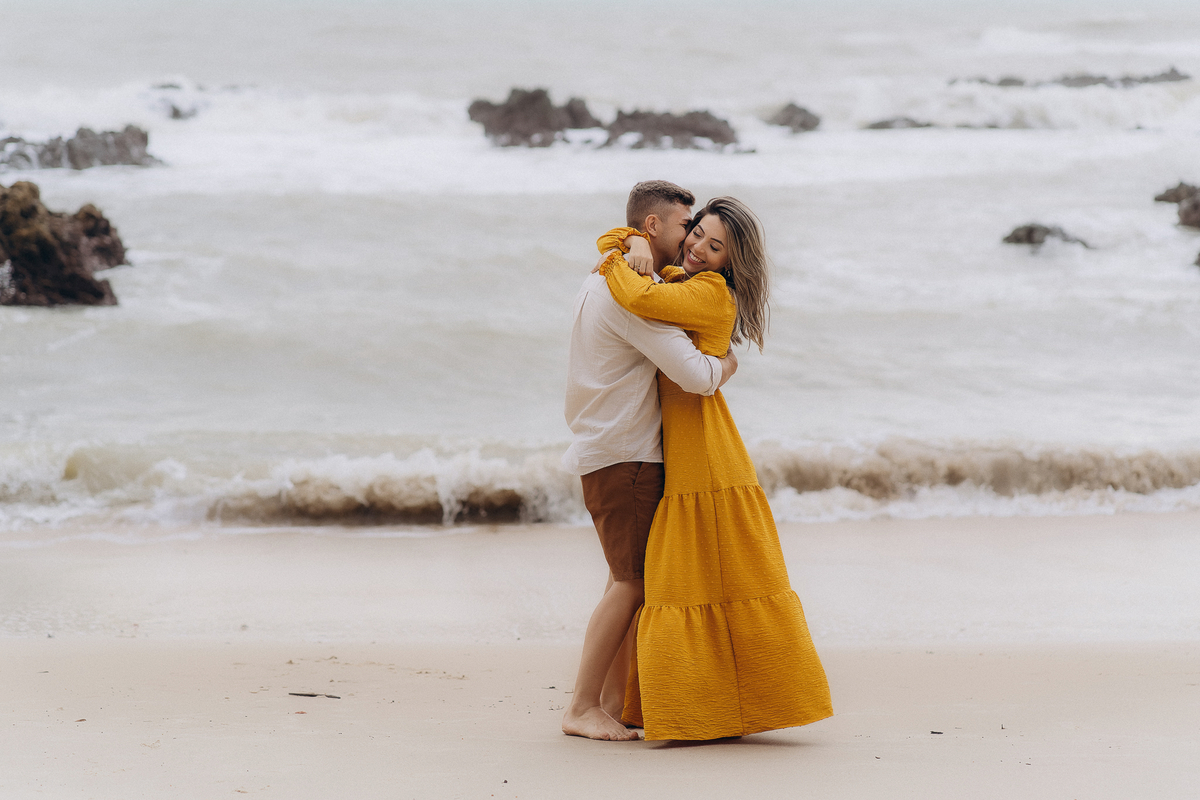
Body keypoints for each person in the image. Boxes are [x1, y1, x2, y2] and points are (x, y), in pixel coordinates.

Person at [595, 196, 833, 741]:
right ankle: (693, 704)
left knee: (698, 576)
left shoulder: (708, 291)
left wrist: (618, 246)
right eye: (698, 232)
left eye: (715, 245)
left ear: (731, 262)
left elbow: (634, 294)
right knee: (690, 578)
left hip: (702, 448)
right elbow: (654, 287)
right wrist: (633, 239)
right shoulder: (687, 280)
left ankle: (703, 706)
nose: (699, 246)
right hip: (687, 440)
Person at [560, 181, 740, 741]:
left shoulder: (608, 273)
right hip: (627, 455)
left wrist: (624, 244)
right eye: (688, 226)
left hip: (607, 449)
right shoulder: (631, 290)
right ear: (655, 227)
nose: (691, 238)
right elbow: (697, 376)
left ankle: (611, 703)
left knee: (626, 580)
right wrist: (728, 360)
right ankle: (582, 707)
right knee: (632, 584)